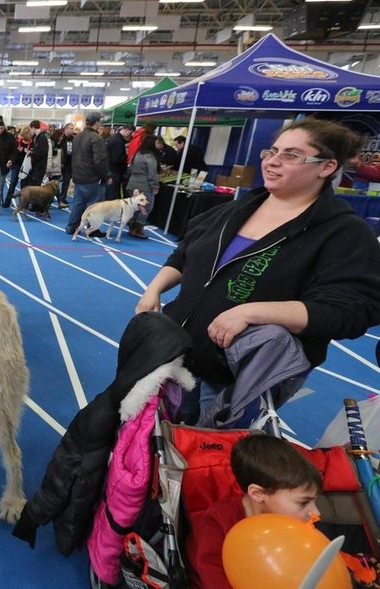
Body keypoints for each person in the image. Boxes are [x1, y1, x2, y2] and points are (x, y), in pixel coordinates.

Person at [136, 117, 380, 425]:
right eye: (272, 151)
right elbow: (185, 253)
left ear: (326, 167)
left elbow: (351, 311)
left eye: (291, 155)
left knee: (206, 456)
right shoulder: (237, 209)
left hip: (237, 375)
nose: (273, 162)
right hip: (175, 352)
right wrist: (154, 289)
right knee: (154, 439)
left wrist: (253, 312)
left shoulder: (343, 233)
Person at [186, 434, 322, 589]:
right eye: (303, 502)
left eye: (315, 501)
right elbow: (213, 579)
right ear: (258, 494)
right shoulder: (216, 523)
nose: (316, 513)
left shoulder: (292, 522)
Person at [66, 112, 109, 235]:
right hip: (92, 177)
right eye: (99, 122)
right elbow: (99, 161)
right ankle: (93, 230)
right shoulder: (96, 138)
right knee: (93, 206)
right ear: (96, 123)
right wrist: (106, 176)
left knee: (78, 203)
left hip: (78, 176)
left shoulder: (78, 136)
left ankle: (71, 227)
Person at [124, 135, 160, 239]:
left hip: (132, 182)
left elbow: (130, 168)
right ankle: (137, 229)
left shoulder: (137, 153)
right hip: (144, 185)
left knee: (135, 206)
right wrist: (155, 186)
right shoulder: (150, 157)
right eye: (156, 143)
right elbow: (152, 174)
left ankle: (131, 225)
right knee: (146, 207)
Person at [106, 124, 134, 200]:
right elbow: (116, 159)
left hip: (111, 169)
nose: (130, 136)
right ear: (125, 130)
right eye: (130, 133)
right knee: (112, 194)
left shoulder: (114, 138)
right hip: (115, 171)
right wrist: (127, 155)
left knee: (112, 193)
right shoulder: (118, 141)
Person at [23, 120, 49, 189]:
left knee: (36, 187)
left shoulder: (42, 137)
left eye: (30, 129)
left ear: (33, 128)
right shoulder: (37, 137)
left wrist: (32, 153)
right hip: (36, 166)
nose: (30, 131)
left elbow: (43, 152)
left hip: (40, 167)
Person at [56, 123, 76, 206]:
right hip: (60, 162)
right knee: (56, 181)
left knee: (66, 181)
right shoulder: (60, 138)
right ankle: (57, 197)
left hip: (69, 163)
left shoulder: (73, 138)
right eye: (71, 129)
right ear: (66, 129)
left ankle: (62, 198)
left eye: (72, 129)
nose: (72, 130)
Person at [45, 128, 66, 209]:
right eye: (61, 136)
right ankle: (56, 202)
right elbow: (50, 157)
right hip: (52, 169)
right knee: (52, 187)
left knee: (56, 187)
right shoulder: (52, 144)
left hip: (57, 168)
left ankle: (58, 202)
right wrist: (49, 168)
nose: (62, 138)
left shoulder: (59, 144)